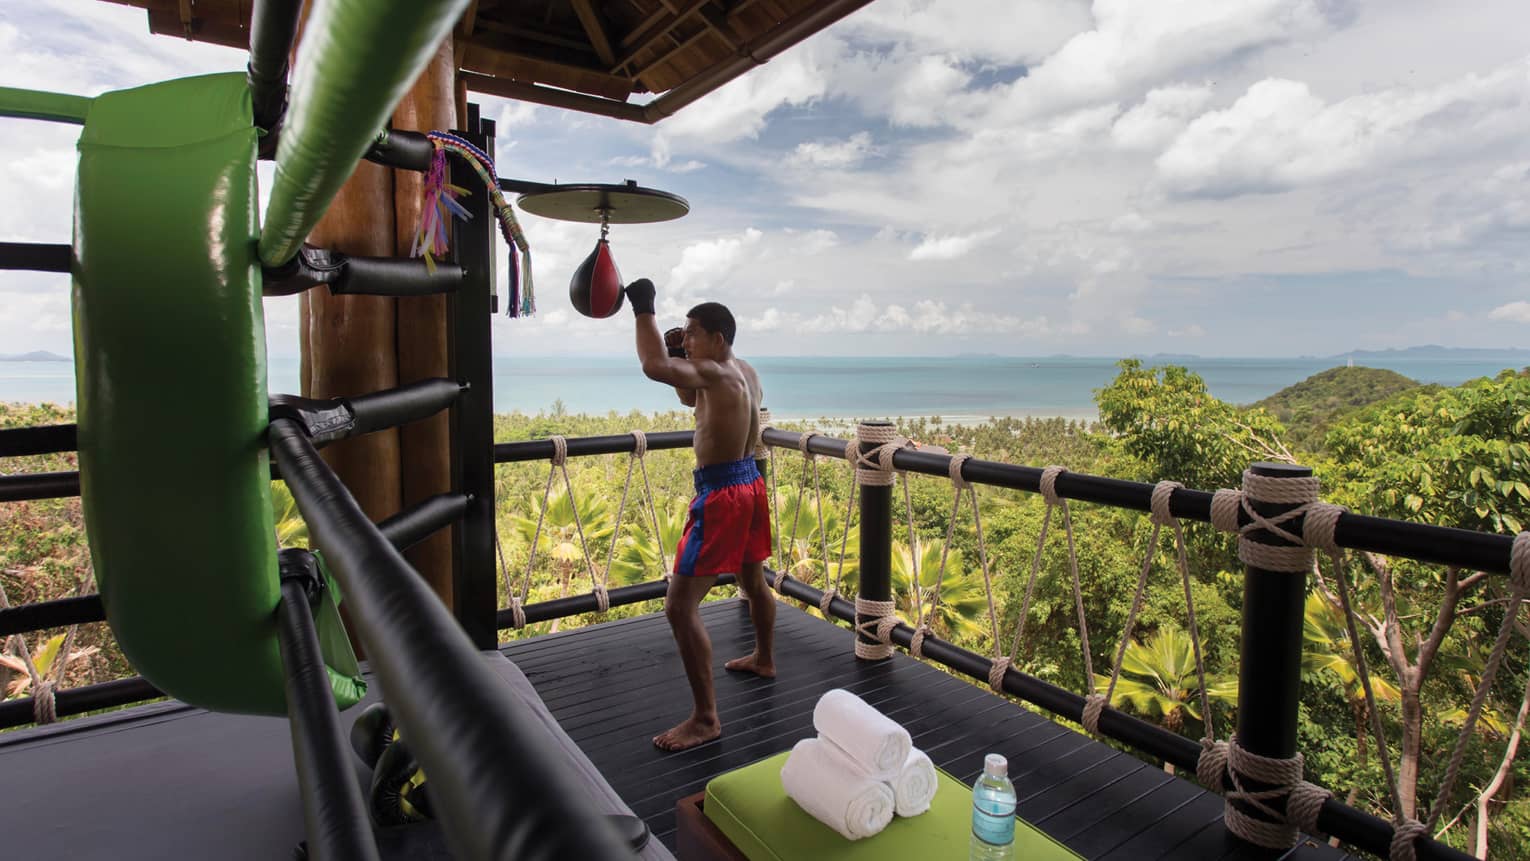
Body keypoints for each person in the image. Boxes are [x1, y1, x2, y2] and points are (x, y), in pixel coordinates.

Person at [624, 278, 775, 751]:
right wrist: (685, 360)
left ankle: (706, 719)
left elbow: (653, 366)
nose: (684, 339)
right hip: (750, 481)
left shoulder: (716, 372)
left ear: (718, 338)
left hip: (723, 494)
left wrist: (643, 309)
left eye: (691, 333)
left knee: (678, 606)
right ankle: (765, 658)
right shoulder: (742, 371)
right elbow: (691, 398)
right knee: (754, 581)